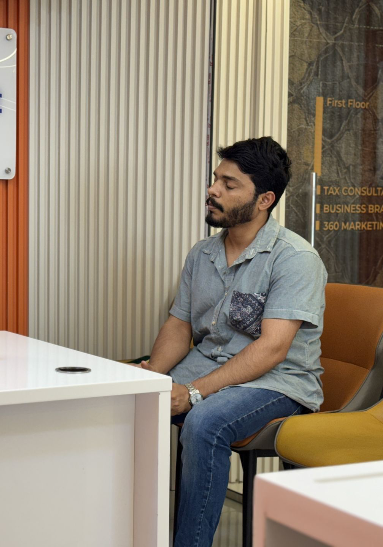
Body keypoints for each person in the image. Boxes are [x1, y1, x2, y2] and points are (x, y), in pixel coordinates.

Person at [137, 137, 327, 547]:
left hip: (277, 382)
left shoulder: (295, 259)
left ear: (264, 200)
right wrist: (153, 375)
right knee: (128, 397)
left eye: (229, 184)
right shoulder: (202, 253)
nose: (212, 190)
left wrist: (192, 393)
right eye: (215, 179)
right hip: (209, 365)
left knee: (204, 422)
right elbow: (179, 325)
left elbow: (272, 349)